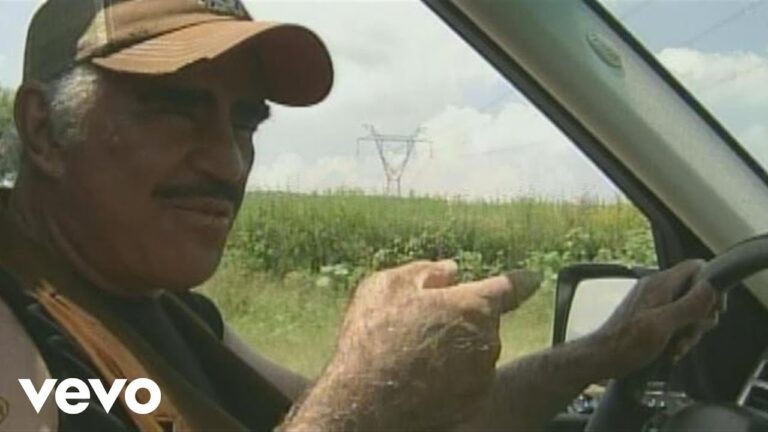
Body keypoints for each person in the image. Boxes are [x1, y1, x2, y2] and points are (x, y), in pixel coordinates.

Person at [0, 0, 722, 430]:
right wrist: (358, 404)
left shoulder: (169, 313)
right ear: (43, 130)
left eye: (246, 124)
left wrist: (607, 351)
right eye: (173, 111)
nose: (226, 163)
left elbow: (414, 422)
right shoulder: (21, 335)